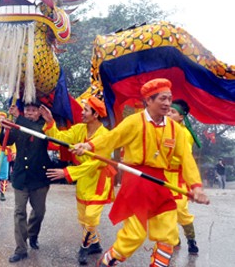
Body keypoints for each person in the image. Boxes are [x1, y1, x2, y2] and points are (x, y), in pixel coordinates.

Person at [72, 78, 209, 267]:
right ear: (149, 101)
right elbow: (112, 138)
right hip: (136, 182)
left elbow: (187, 159)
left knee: (168, 234)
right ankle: (106, 262)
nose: (167, 103)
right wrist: (88, 145)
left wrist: (196, 187)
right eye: (162, 99)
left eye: (169, 99)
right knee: (134, 236)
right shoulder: (134, 122)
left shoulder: (175, 130)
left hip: (160, 183)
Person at [43, 97, 115, 265]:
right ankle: (95, 244)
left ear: (95, 114)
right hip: (83, 180)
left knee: (91, 217)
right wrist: (50, 122)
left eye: (86, 110)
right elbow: (59, 138)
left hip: (98, 181)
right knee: (83, 218)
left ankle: (83, 248)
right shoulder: (79, 129)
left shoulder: (105, 136)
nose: (82, 112)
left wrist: (67, 172)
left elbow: (95, 164)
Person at [0, 99, 53, 263]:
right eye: (27, 110)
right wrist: (5, 129)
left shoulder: (45, 126)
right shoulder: (18, 124)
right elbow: (5, 141)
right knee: (19, 212)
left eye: (33, 110)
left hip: (39, 177)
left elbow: (36, 132)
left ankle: (33, 235)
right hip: (21, 176)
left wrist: (19, 119)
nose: (29, 113)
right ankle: (21, 249)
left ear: (39, 112)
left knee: (39, 212)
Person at [166, 99, 201, 254]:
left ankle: (191, 239)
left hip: (178, 177)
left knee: (181, 211)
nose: (168, 114)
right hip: (164, 177)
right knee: (167, 210)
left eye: (173, 112)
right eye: (168, 111)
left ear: (181, 117)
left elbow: (184, 157)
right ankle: (173, 239)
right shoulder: (162, 129)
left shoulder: (185, 134)